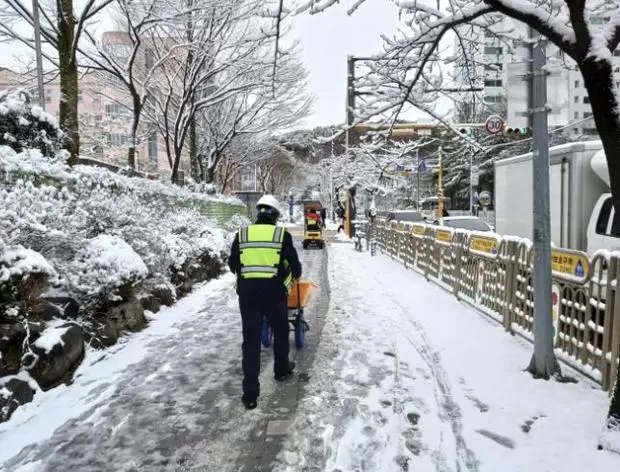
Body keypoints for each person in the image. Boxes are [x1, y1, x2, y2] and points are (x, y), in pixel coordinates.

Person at [228, 194, 302, 410]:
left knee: (250, 342)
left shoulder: (241, 234)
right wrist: (284, 273)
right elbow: (296, 268)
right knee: (280, 332)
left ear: (258, 213)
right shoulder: (281, 235)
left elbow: (233, 265)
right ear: (275, 215)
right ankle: (281, 371)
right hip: (275, 294)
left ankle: (250, 394)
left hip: (248, 295)